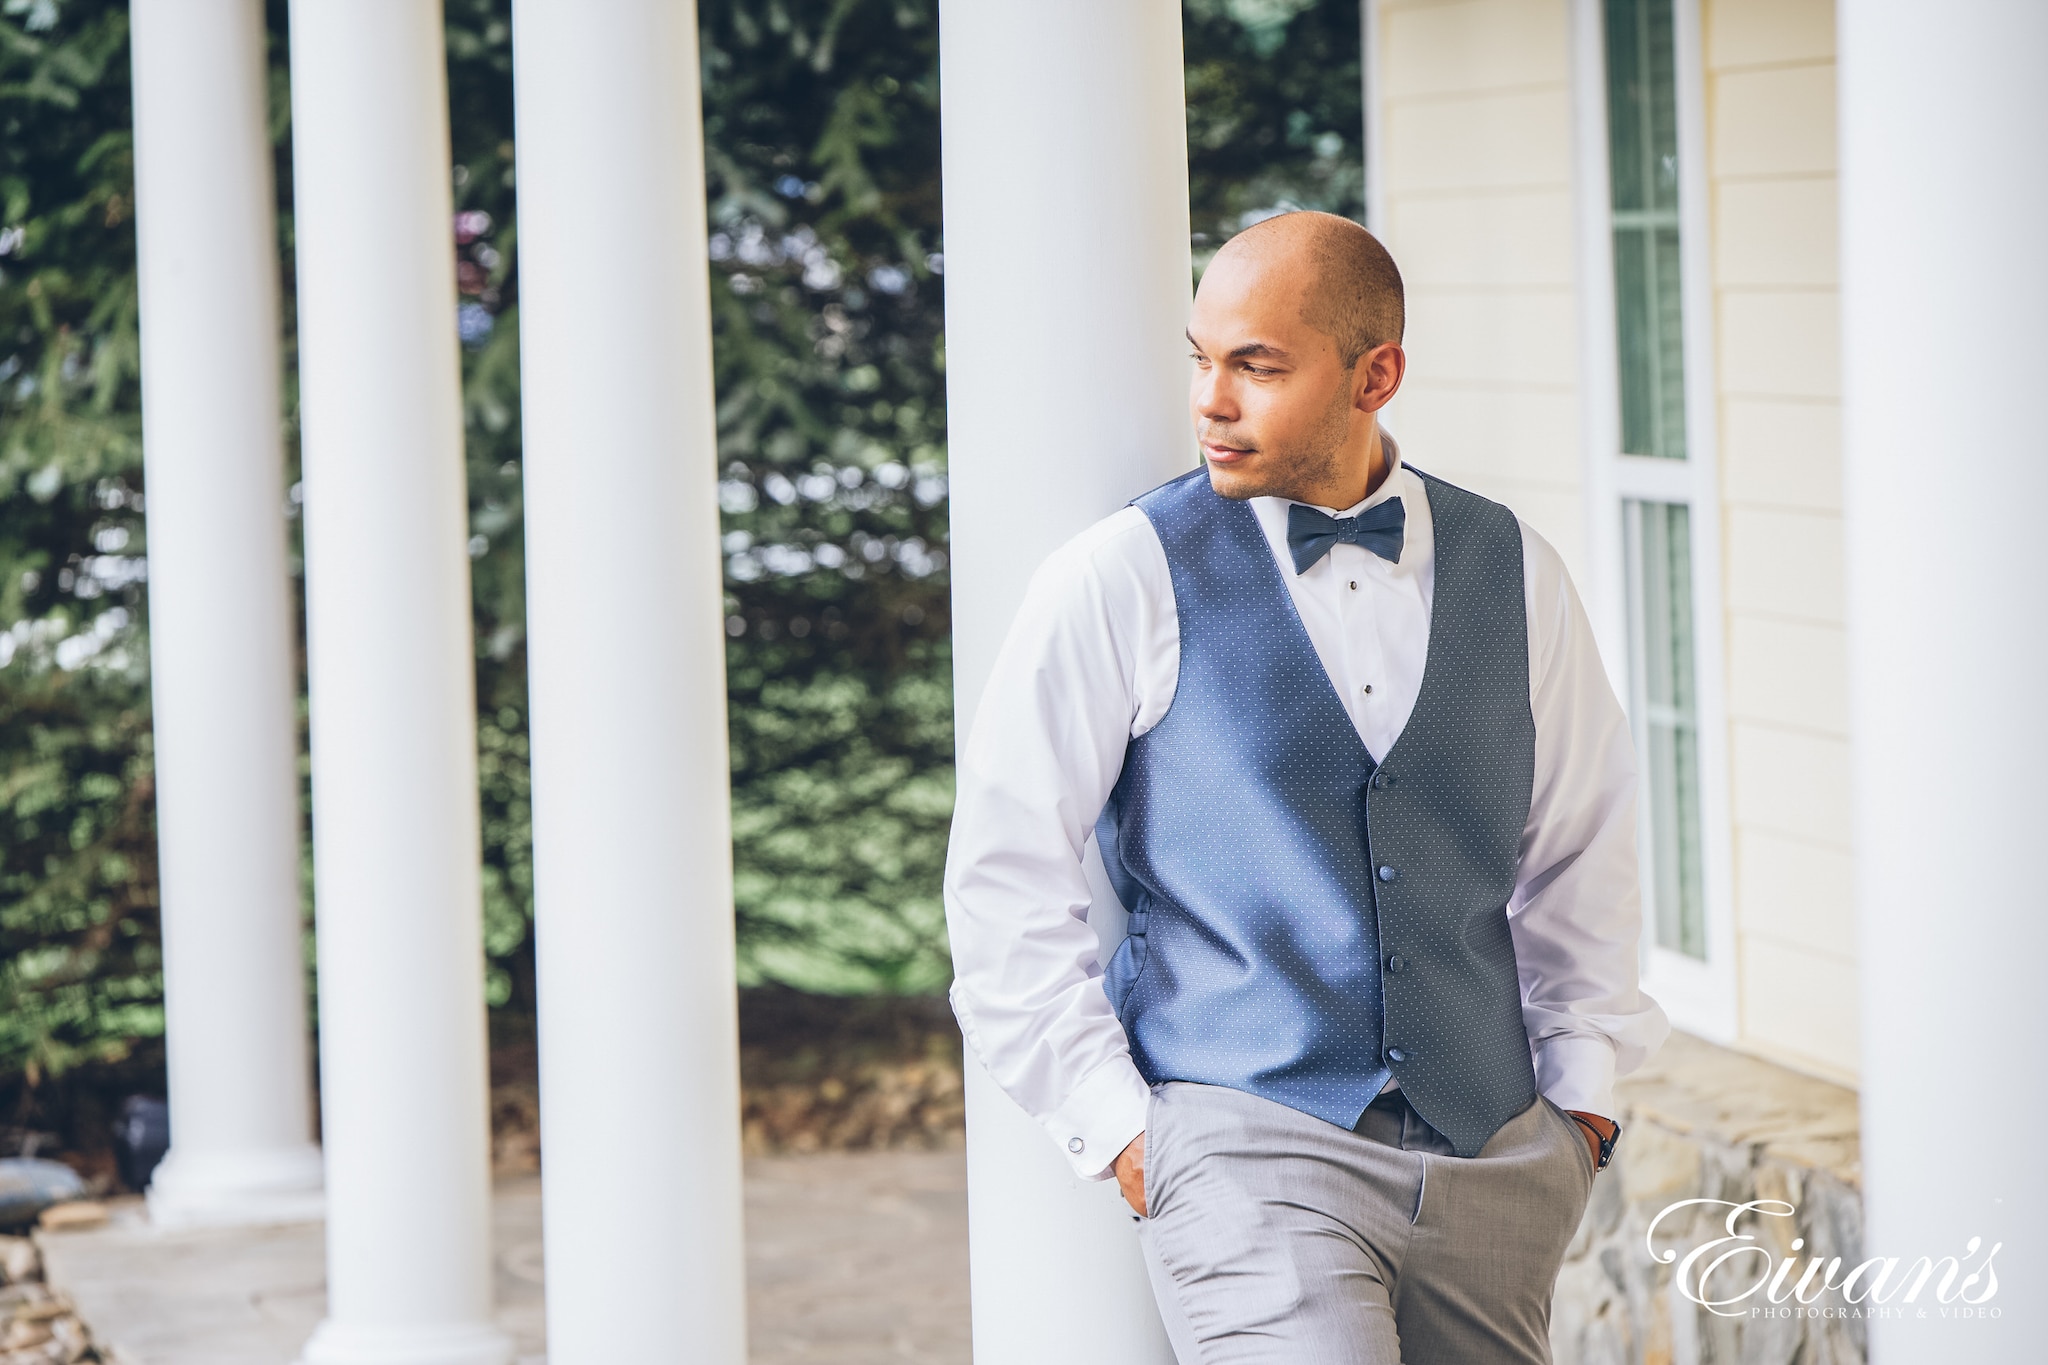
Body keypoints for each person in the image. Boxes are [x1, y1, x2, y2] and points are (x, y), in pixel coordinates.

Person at [942, 210, 1669, 1363]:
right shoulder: (1121, 576)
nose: (1209, 402)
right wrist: (1125, 1136)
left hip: (1493, 1163)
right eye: (1201, 360)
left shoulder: (1514, 569)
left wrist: (1578, 1110)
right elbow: (1002, 880)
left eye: (1256, 367)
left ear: (1373, 374)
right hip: (1248, 1154)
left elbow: (1586, 848)